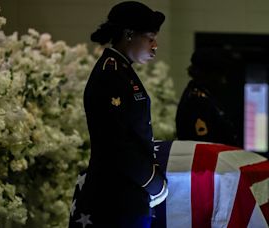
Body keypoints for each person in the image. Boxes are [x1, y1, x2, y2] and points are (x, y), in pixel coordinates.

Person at [68, 2, 168, 228]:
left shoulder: (122, 71)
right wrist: (153, 182)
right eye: (150, 37)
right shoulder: (111, 75)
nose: (155, 46)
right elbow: (117, 144)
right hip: (114, 200)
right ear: (129, 35)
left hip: (125, 195)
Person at [175, 47, 243, 147]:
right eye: (219, 76)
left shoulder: (203, 96)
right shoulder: (197, 102)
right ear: (207, 75)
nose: (223, 81)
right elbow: (204, 144)